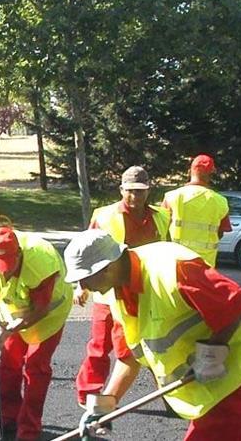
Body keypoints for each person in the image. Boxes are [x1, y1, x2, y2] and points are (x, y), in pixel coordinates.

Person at [64, 230, 241, 441]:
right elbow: (128, 357)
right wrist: (104, 407)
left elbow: (233, 306)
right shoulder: (116, 294)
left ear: (106, 267)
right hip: (203, 374)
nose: (83, 287)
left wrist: (210, 355)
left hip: (238, 361)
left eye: (84, 279)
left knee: (214, 433)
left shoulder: (174, 269)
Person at [74, 166, 170, 406]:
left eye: (141, 191)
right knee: (99, 347)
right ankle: (89, 397)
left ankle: (170, 396)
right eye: (130, 191)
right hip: (107, 296)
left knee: (151, 347)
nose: (135, 197)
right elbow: (86, 253)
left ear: (149, 191)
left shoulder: (161, 216)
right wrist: (81, 286)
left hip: (143, 295)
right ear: (121, 190)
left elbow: (166, 250)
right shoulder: (105, 216)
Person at [0, 226, 72, 441]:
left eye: (8, 266)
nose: (3, 272)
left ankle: (28, 431)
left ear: (18, 254)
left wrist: (5, 330)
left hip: (47, 316)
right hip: (14, 310)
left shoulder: (41, 264)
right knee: (9, 365)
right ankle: (7, 420)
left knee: (35, 368)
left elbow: (40, 310)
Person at [162, 154, 231, 266]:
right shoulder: (220, 201)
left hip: (177, 261)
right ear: (210, 174)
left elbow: (161, 229)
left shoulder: (172, 197)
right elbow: (220, 232)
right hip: (206, 264)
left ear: (190, 171)